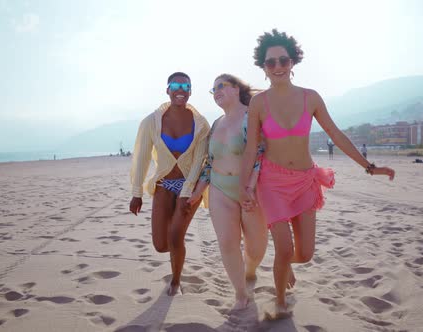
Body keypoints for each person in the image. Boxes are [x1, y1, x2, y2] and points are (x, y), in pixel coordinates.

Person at [239, 29, 396, 314]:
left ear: (293, 63)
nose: (277, 67)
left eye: (283, 61)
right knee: (284, 248)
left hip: (304, 180)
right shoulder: (259, 103)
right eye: (270, 62)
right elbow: (251, 148)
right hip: (272, 183)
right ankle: (280, 304)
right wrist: (244, 186)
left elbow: (336, 134)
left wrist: (370, 167)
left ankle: (284, 266)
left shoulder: (310, 98)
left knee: (306, 253)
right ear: (263, 67)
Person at [187, 74, 267, 310]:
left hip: (251, 189)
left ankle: (250, 270)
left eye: (221, 86)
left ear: (236, 89)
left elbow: (261, 154)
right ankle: (240, 294)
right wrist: (199, 191)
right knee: (227, 242)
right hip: (220, 189)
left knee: (256, 247)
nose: (216, 91)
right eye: (213, 90)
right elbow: (209, 163)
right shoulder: (216, 123)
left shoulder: (251, 116)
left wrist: (249, 188)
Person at [129, 72, 210, 296]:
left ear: (191, 91)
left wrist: (187, 192)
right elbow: (141, 157)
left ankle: (175, 281)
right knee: (161, 245)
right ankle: (176, 257)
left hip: (190, 186)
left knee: (176, 236)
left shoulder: (201, 124)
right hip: (164, 184)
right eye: (175, 85)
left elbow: (199, 161)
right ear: (167, 90)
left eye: (186, 85)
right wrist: (137, 192)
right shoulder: (151, 122)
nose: (180, 89)